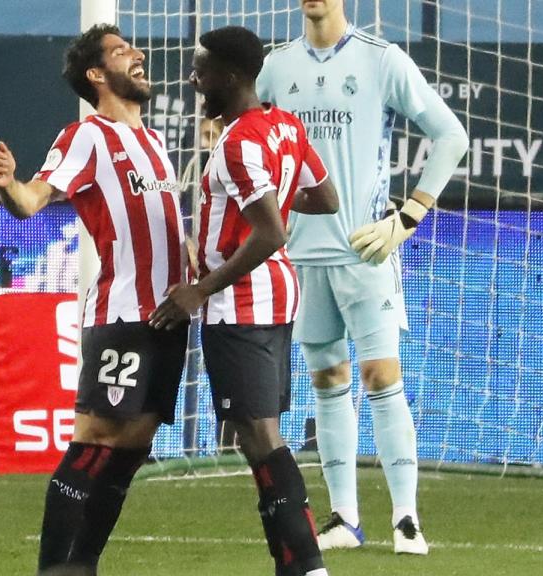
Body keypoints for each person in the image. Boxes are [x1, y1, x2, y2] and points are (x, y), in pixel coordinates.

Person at [256, 0, 469, 555]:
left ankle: (406, 518)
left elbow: (451, 136)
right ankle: (345, 518)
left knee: (379, 375)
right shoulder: (276, 68)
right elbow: (248, 143)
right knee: (327, 382)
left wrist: (410, 216)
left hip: (365, 250)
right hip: (302, 254)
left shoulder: (383, 60)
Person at [0, 24, 188, 576]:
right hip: (122, 314)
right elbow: (33, 200)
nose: (138, 55)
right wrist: (9, 184)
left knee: (134, 444)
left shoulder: (154, 143)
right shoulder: (87, 136)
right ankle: (54, 569)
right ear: (97, 75)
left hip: (168, 320)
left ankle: (83, 565)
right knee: (95, 437)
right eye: (122, 52)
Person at [149, 26, 338, 576]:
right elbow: (325, 199)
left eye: (201, 69)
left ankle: (306, 564)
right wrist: (277, 199)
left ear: (229, 77)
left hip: (240, 307)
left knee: (262, 441)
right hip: (278, 300)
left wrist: (199, 290)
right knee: (262, 439)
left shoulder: (235, 144)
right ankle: (297, 563)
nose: (193, 78)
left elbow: (271, 234)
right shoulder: (284, 125)